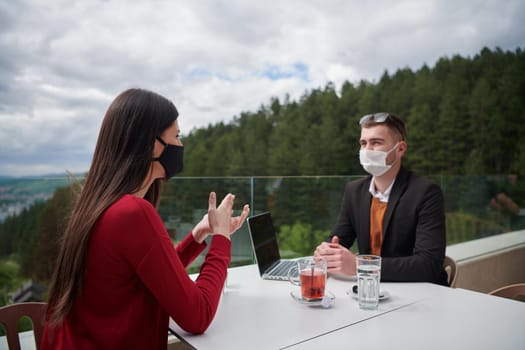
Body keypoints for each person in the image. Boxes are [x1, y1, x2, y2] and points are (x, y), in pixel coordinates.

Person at [41, 88, 250, 349]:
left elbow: (152, 271)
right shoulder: (133, 213)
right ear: (151, 144)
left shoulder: (100, 205)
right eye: (176, 136)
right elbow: (198, 316)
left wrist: (199, 234)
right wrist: (221, 239)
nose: (181, 145)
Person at [314, 112, 448, 285]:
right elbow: (338, 239)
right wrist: (326, 251)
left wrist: (359, 265)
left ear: (400, 149)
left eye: (376, 142)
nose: (367, 150)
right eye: (363, 143)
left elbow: (428, 265)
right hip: (370, 289)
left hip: (418, 293)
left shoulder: (426, 192)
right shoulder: (354, 191)